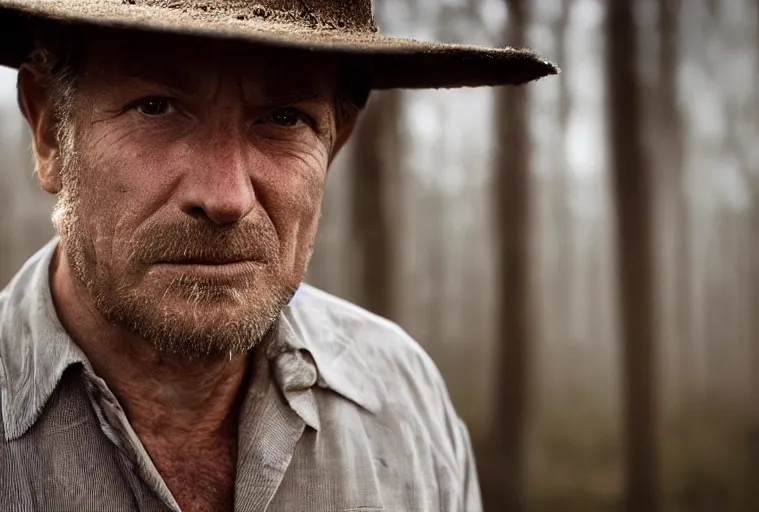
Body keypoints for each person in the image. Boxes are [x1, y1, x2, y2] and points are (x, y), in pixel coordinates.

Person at [0, 1, 557, 510]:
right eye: (157, 107)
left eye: (284, 118)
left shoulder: (402, 398)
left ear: (335, 141)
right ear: (50, 130)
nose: (226, 198)